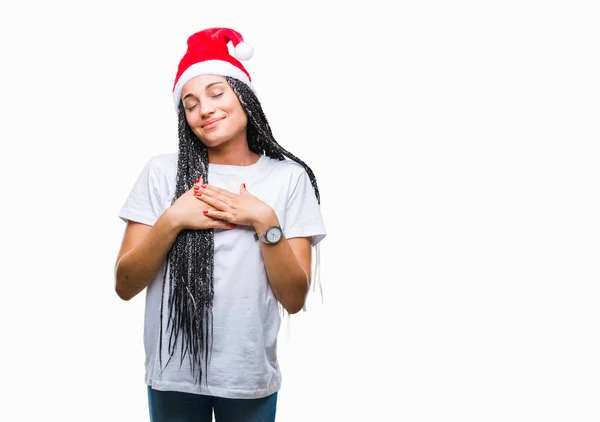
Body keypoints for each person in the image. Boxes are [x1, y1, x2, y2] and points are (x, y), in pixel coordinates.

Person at [114, 27, 326, 422]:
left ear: (243, 96)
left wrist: (264, 220)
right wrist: (174, 219)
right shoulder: (162, 173)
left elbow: (294, 299)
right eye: (190, 104)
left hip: (247, 375)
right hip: (173, 375)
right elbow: (124, 285)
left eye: (216, 93)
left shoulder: (288, 179)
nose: (203, 109)